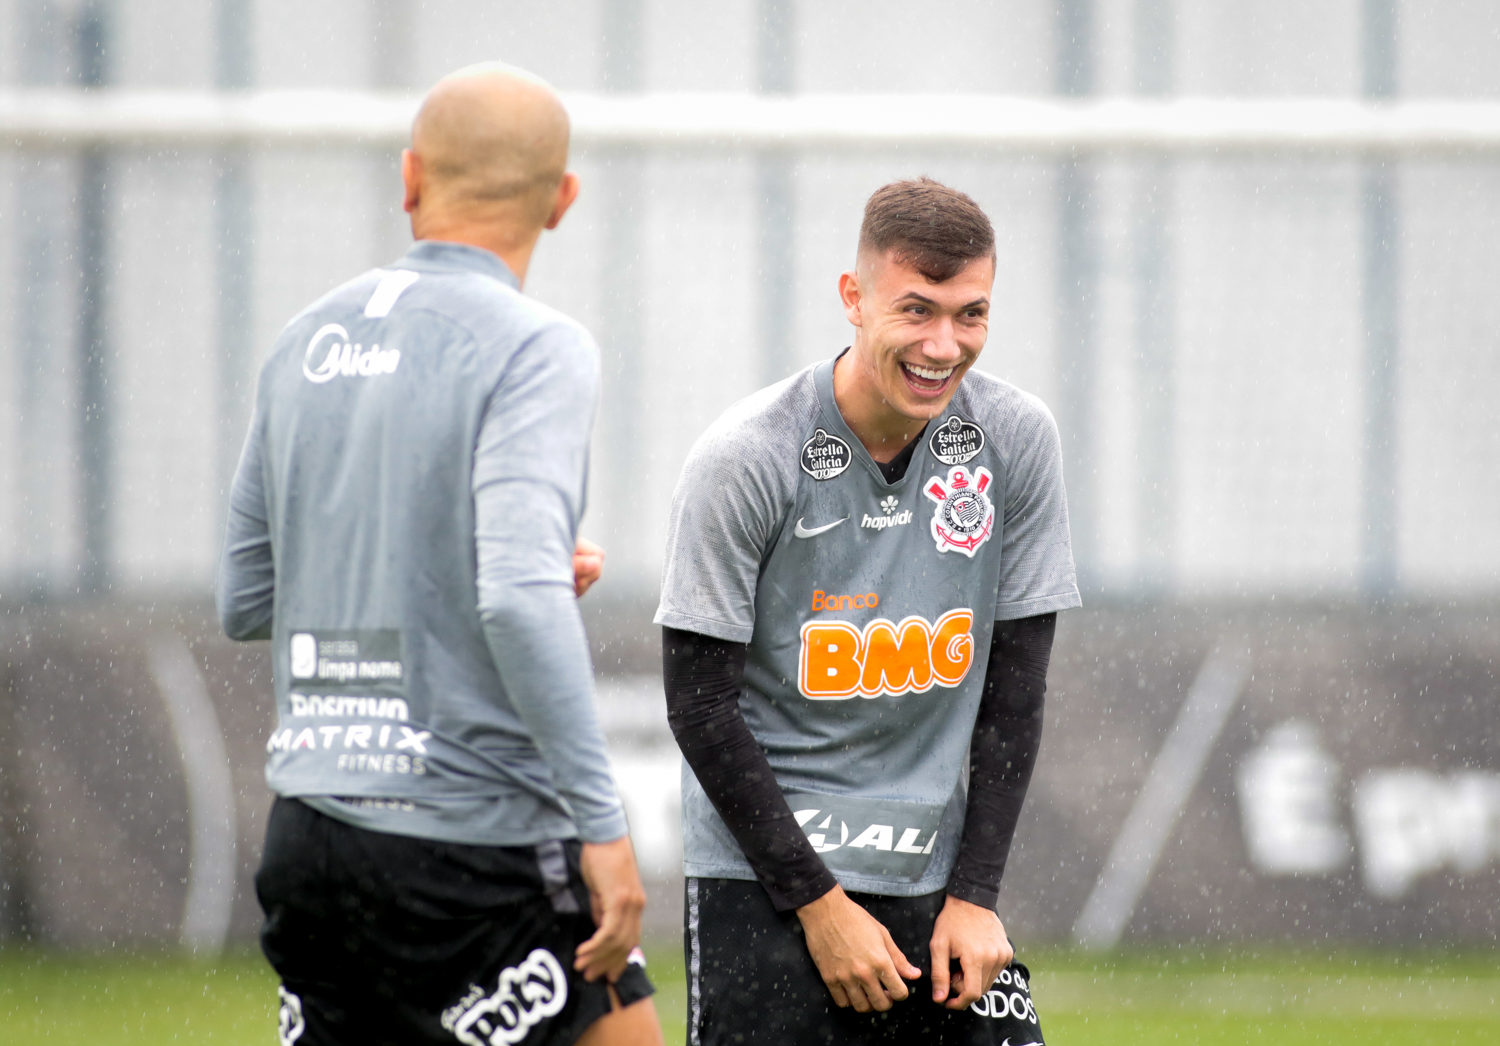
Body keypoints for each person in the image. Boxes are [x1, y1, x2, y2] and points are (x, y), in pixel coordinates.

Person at [217, 64, 662, 1046]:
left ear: (410, 179)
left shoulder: (304, 338)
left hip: (309, 835)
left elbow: (246, 597)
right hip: (468, 844)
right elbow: (514, 596)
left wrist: (438, 559)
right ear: (564, 199)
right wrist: (604, 823)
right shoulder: (536, 345)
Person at [655, 178, 1081, 1044]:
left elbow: (1015, 691)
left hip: (936, 889)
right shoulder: (747, 456)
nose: (943, 344)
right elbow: (700, 706)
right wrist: (819, 906)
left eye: (971, 315)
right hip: (767, 887)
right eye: (916, 310)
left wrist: (975, 896)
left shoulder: (1017, 439)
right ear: (853, 299)